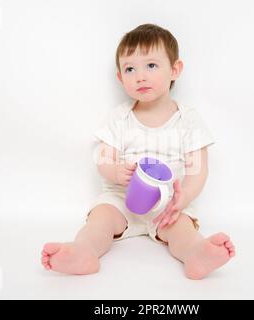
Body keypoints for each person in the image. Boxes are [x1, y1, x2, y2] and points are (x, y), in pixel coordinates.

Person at [41, 23, 235, 280]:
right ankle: (84, 251)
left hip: (167, 204)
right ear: (120, 77)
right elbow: (103, 158)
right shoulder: (119, 117)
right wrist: (115, 171)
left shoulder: (188, 119)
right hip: (121, 199)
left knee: (182, 228)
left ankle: (196, 254)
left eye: (151, 66)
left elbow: (199, 168)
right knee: (99, 220)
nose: (140, 76)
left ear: (174, 70)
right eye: (130, 69)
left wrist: (183, 198)